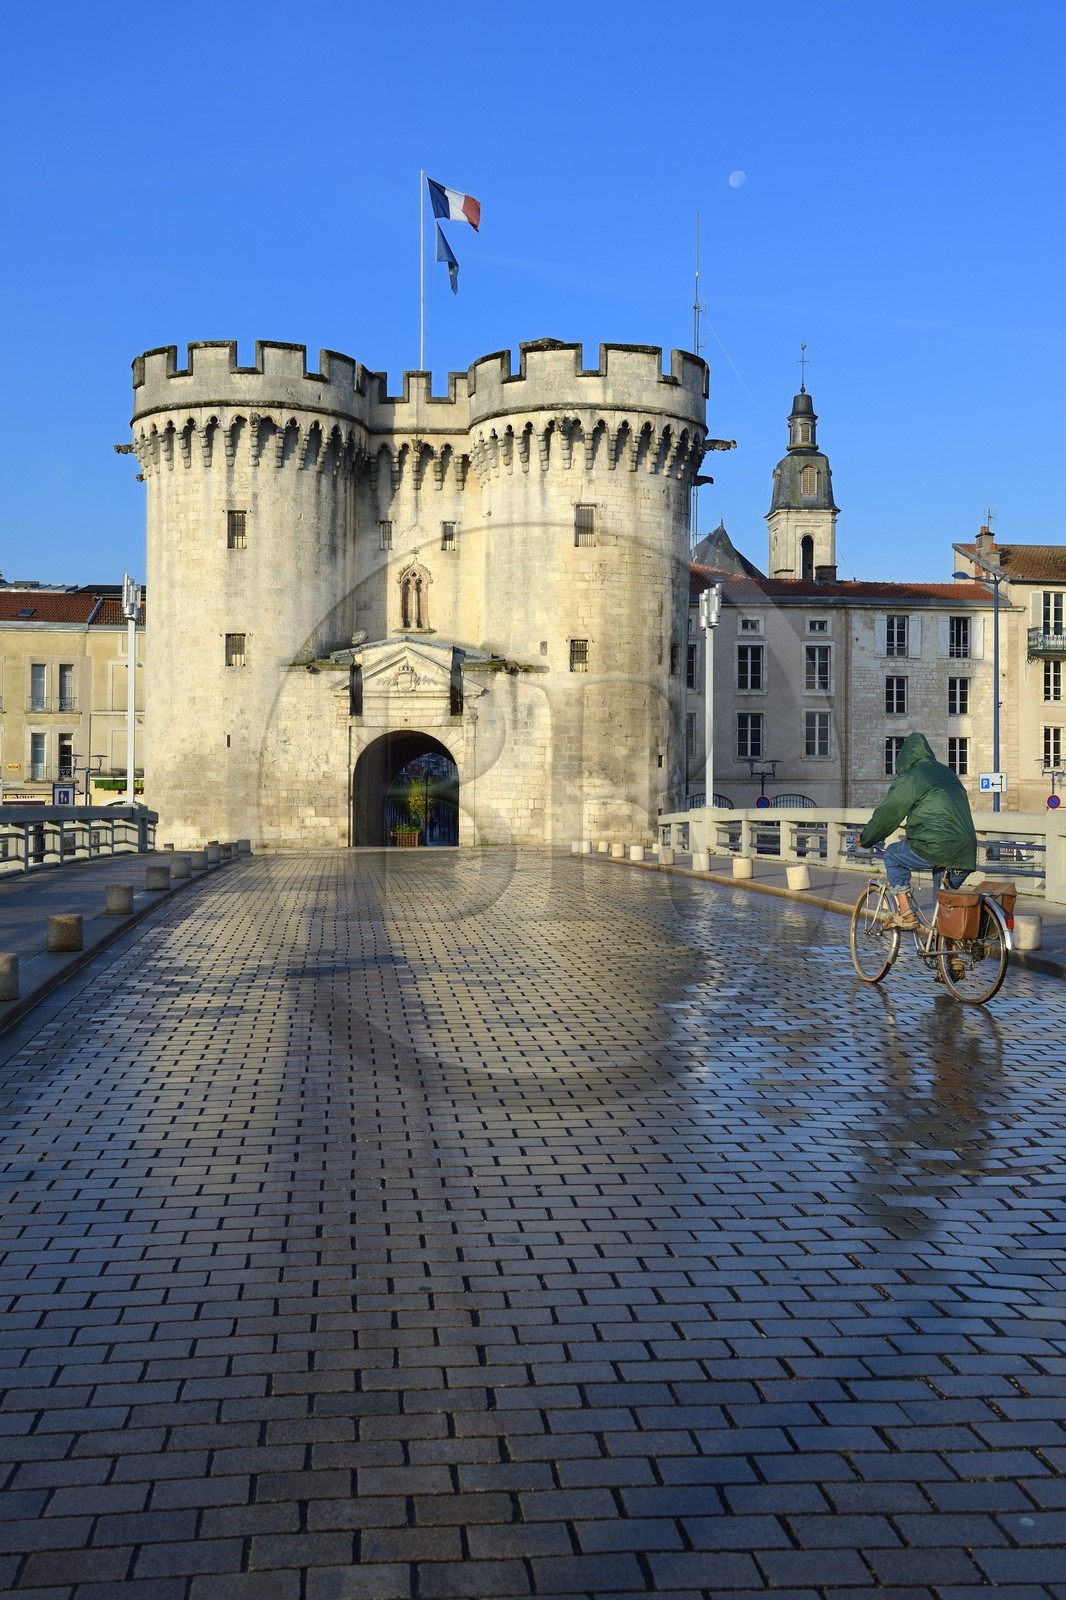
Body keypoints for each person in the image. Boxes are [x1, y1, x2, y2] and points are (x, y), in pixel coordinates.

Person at [859, 731, 977, 930]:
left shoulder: (912, 778)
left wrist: (866, 839)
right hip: (965, 849)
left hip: (934, 845)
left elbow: (887, 816)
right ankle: (953, 958)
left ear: (904, 758)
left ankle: (906, 914)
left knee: (892, 855)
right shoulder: (947, 772)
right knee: (945, 907)